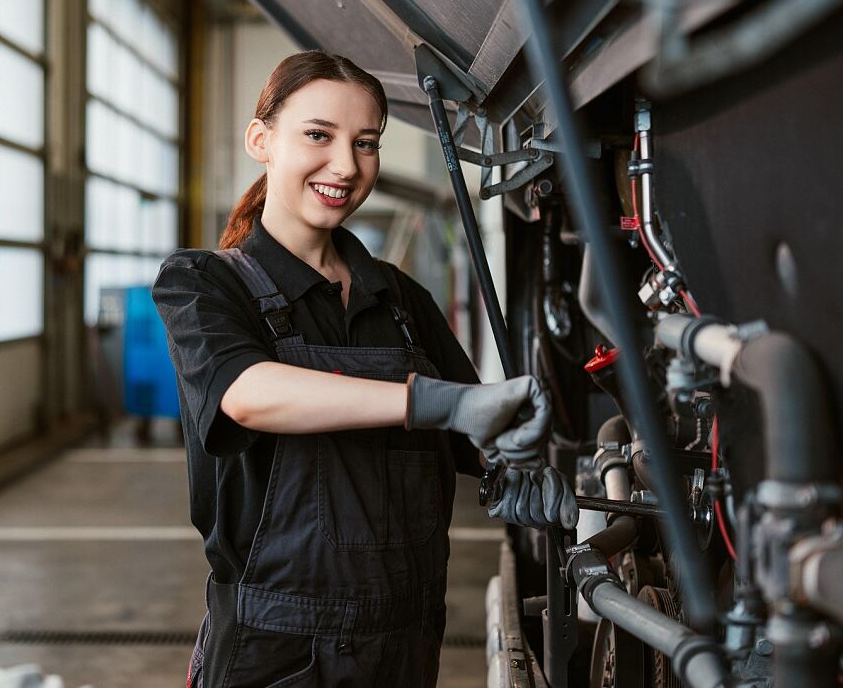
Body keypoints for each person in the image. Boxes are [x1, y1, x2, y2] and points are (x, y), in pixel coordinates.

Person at [151, 51, 577, 688]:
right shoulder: (205, 284)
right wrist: (436, 403)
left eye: (367, 143)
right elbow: (246, 393)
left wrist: (508, 468)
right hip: (280, 652)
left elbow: (471, 433)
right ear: (261, 140)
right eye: (318, 135)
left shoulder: (401, 300)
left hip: (407, 639)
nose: (346, 166)